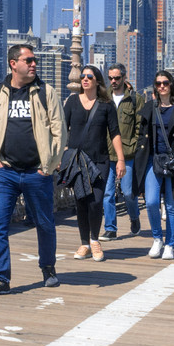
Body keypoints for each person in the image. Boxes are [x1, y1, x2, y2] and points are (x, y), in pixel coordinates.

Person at [0, 44, 65, 296]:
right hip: (5, 171)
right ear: (13, 64)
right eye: (28, 60)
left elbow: (60, 131)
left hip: (37, 171)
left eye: (34, 60)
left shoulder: (46, 92)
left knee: (45, 223)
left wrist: (48, 165)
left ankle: (48, 268)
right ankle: (0, 278)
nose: (34, 64)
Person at [62, 65, 124, 261]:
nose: (85, 79)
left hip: (99, 160)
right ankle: (84, 244)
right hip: (77, 160)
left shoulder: (106, 105)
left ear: (97, 80)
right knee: (81, 201)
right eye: (82, 76)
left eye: (89, 76)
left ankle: (95, 240)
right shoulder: (72, 102)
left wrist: (120, 159)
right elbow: (63, 130)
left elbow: (114, 133)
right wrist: (59, 156)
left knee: (96, 201)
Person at [134, 71, 174, 260]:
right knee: (151, 202)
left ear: (171, 85)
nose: (162, 86)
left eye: (165, 83)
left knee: (171, 205)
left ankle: (170, 244)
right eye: (158, 83)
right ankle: (157, 239)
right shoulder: (149, 108)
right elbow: (141, 135)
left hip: (173, 162)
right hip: (153, 160)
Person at [101, 63, 143, 240]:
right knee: (108, 193)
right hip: (106, 153)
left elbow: (140, 127)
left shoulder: (135, 99)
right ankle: (111, 228)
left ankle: (134, 217)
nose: (113, 81)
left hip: (127, 154)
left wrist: (132, 146)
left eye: (117, 78)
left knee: (127, 193)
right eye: (110, 78)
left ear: (124, 77)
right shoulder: (103, 98)